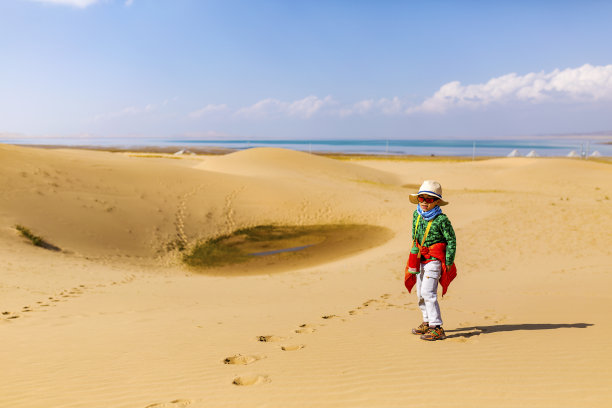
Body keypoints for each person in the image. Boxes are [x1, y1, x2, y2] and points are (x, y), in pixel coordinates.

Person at [404, 180, 457, 341]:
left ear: (437, 201)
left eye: (430, 199)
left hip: (434, 260)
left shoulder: (442, 220)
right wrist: (415, 252)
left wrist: (448, 261)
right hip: (420, 259)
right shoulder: (416, 214)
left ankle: (437, 327)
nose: (425, 202)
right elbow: (414, 234)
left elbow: (451, 240)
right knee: (420, 293)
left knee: (428, 292)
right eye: (422, 198)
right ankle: (426, 322)